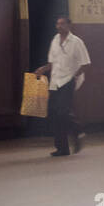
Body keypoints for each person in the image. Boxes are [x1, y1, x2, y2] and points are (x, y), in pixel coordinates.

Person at [34, 15, 91, 157]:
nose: (58, 26)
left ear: (69, 25)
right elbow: (52, 63)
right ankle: (64, 146)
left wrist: (75, 76)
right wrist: (43, 69)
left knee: (62, 112)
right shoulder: (54, 40)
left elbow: (86, 64)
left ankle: (76, 133)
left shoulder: (77, 42)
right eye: (57, 24)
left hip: (68, 81)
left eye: (62, 24)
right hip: (55, 81)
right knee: (55, 114)